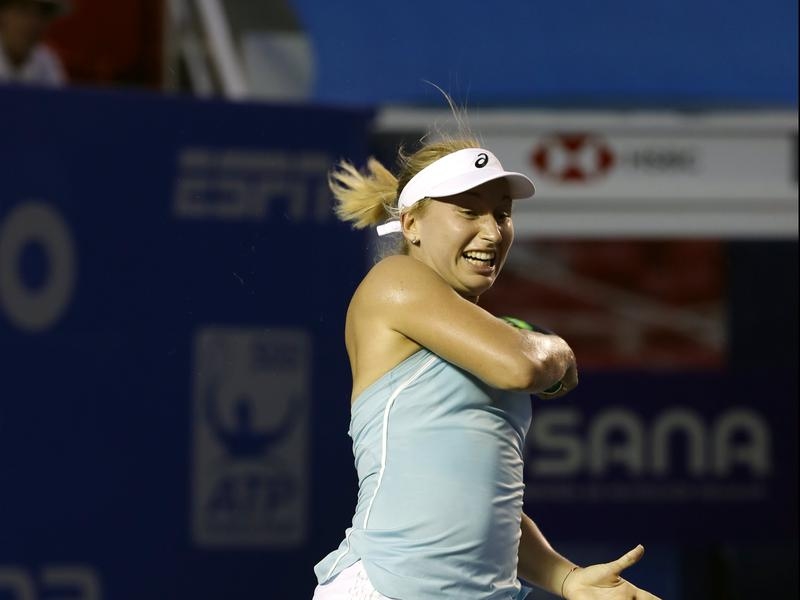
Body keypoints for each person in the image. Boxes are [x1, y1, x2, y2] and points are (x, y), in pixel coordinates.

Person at [313, 132, 662, 599]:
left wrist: (567, 578)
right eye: (468, 211)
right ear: (411, 224)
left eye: (502, 213)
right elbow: (522, 367)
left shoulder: (479, 337)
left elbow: (486, 502)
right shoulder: (394, 279)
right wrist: (558, 349)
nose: (493, 232)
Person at [0, 0, 67, 85]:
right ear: (2, 13)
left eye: (42, 13)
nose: (32, 23)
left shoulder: (48, 61)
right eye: (22, 10)